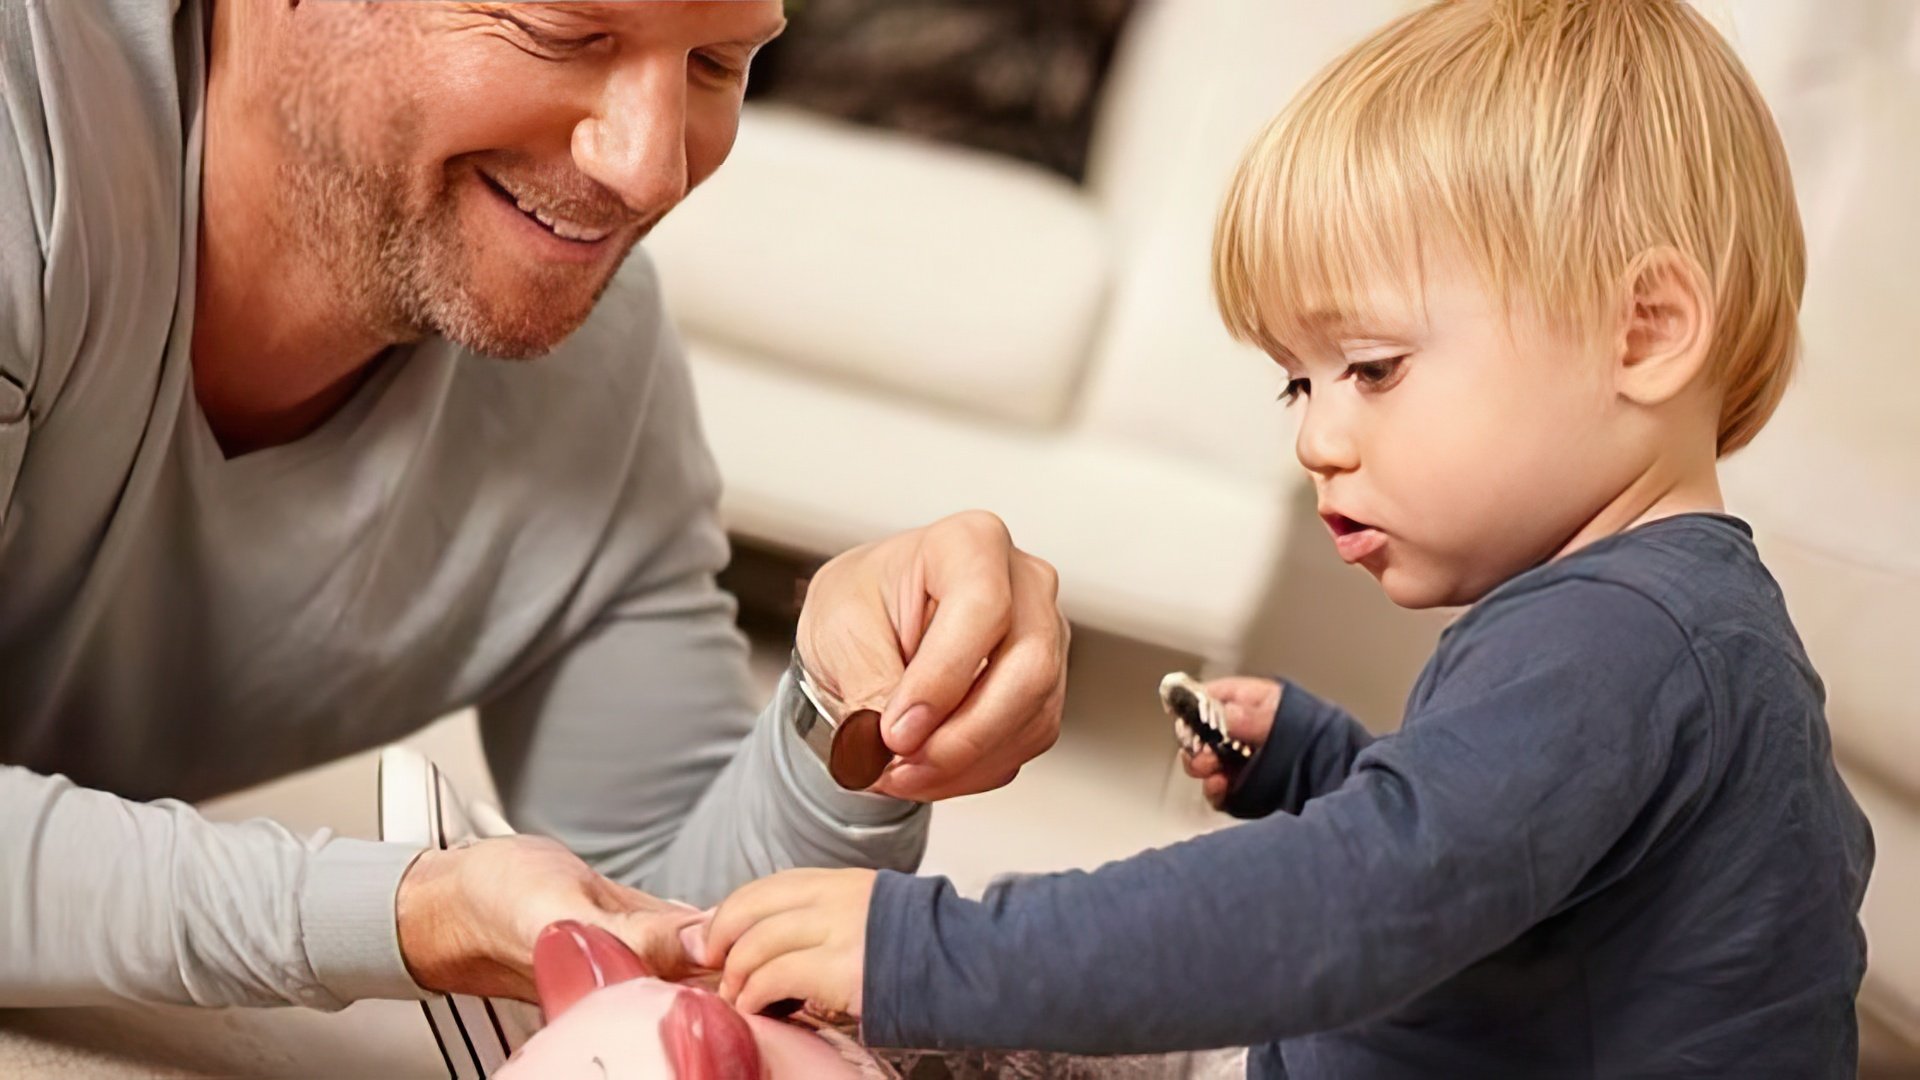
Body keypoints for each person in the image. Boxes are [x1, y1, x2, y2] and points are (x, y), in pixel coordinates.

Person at [694, 1, 1876, 1075]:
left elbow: (1345, 908)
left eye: (1371, 367)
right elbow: (1507, 862)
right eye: (1296, 388)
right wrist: (1329, 768)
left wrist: (924, 957)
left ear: (1645, 333)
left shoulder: (1625, 644)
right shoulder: (1665, 630)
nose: (1317, 441)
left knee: (887, 1039)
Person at [0, 1, 1067, 1011]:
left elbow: (678, 929)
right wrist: (404, 914)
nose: (650, 167)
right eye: (565, 33)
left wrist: (843, 714)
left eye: (719, 63)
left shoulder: (595, 381)